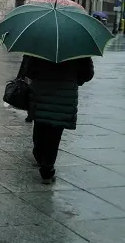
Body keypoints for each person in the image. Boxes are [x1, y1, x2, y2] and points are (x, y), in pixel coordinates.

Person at [19, 55, 95, 183]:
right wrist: (74, 79)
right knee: (54, 134)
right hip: (64, 97)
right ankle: (47, 169)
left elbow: (28, 71)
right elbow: (87, 74)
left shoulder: (40, 47)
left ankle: (39, 155)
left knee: (40, 125)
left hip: (41, 95)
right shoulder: (79, 52)